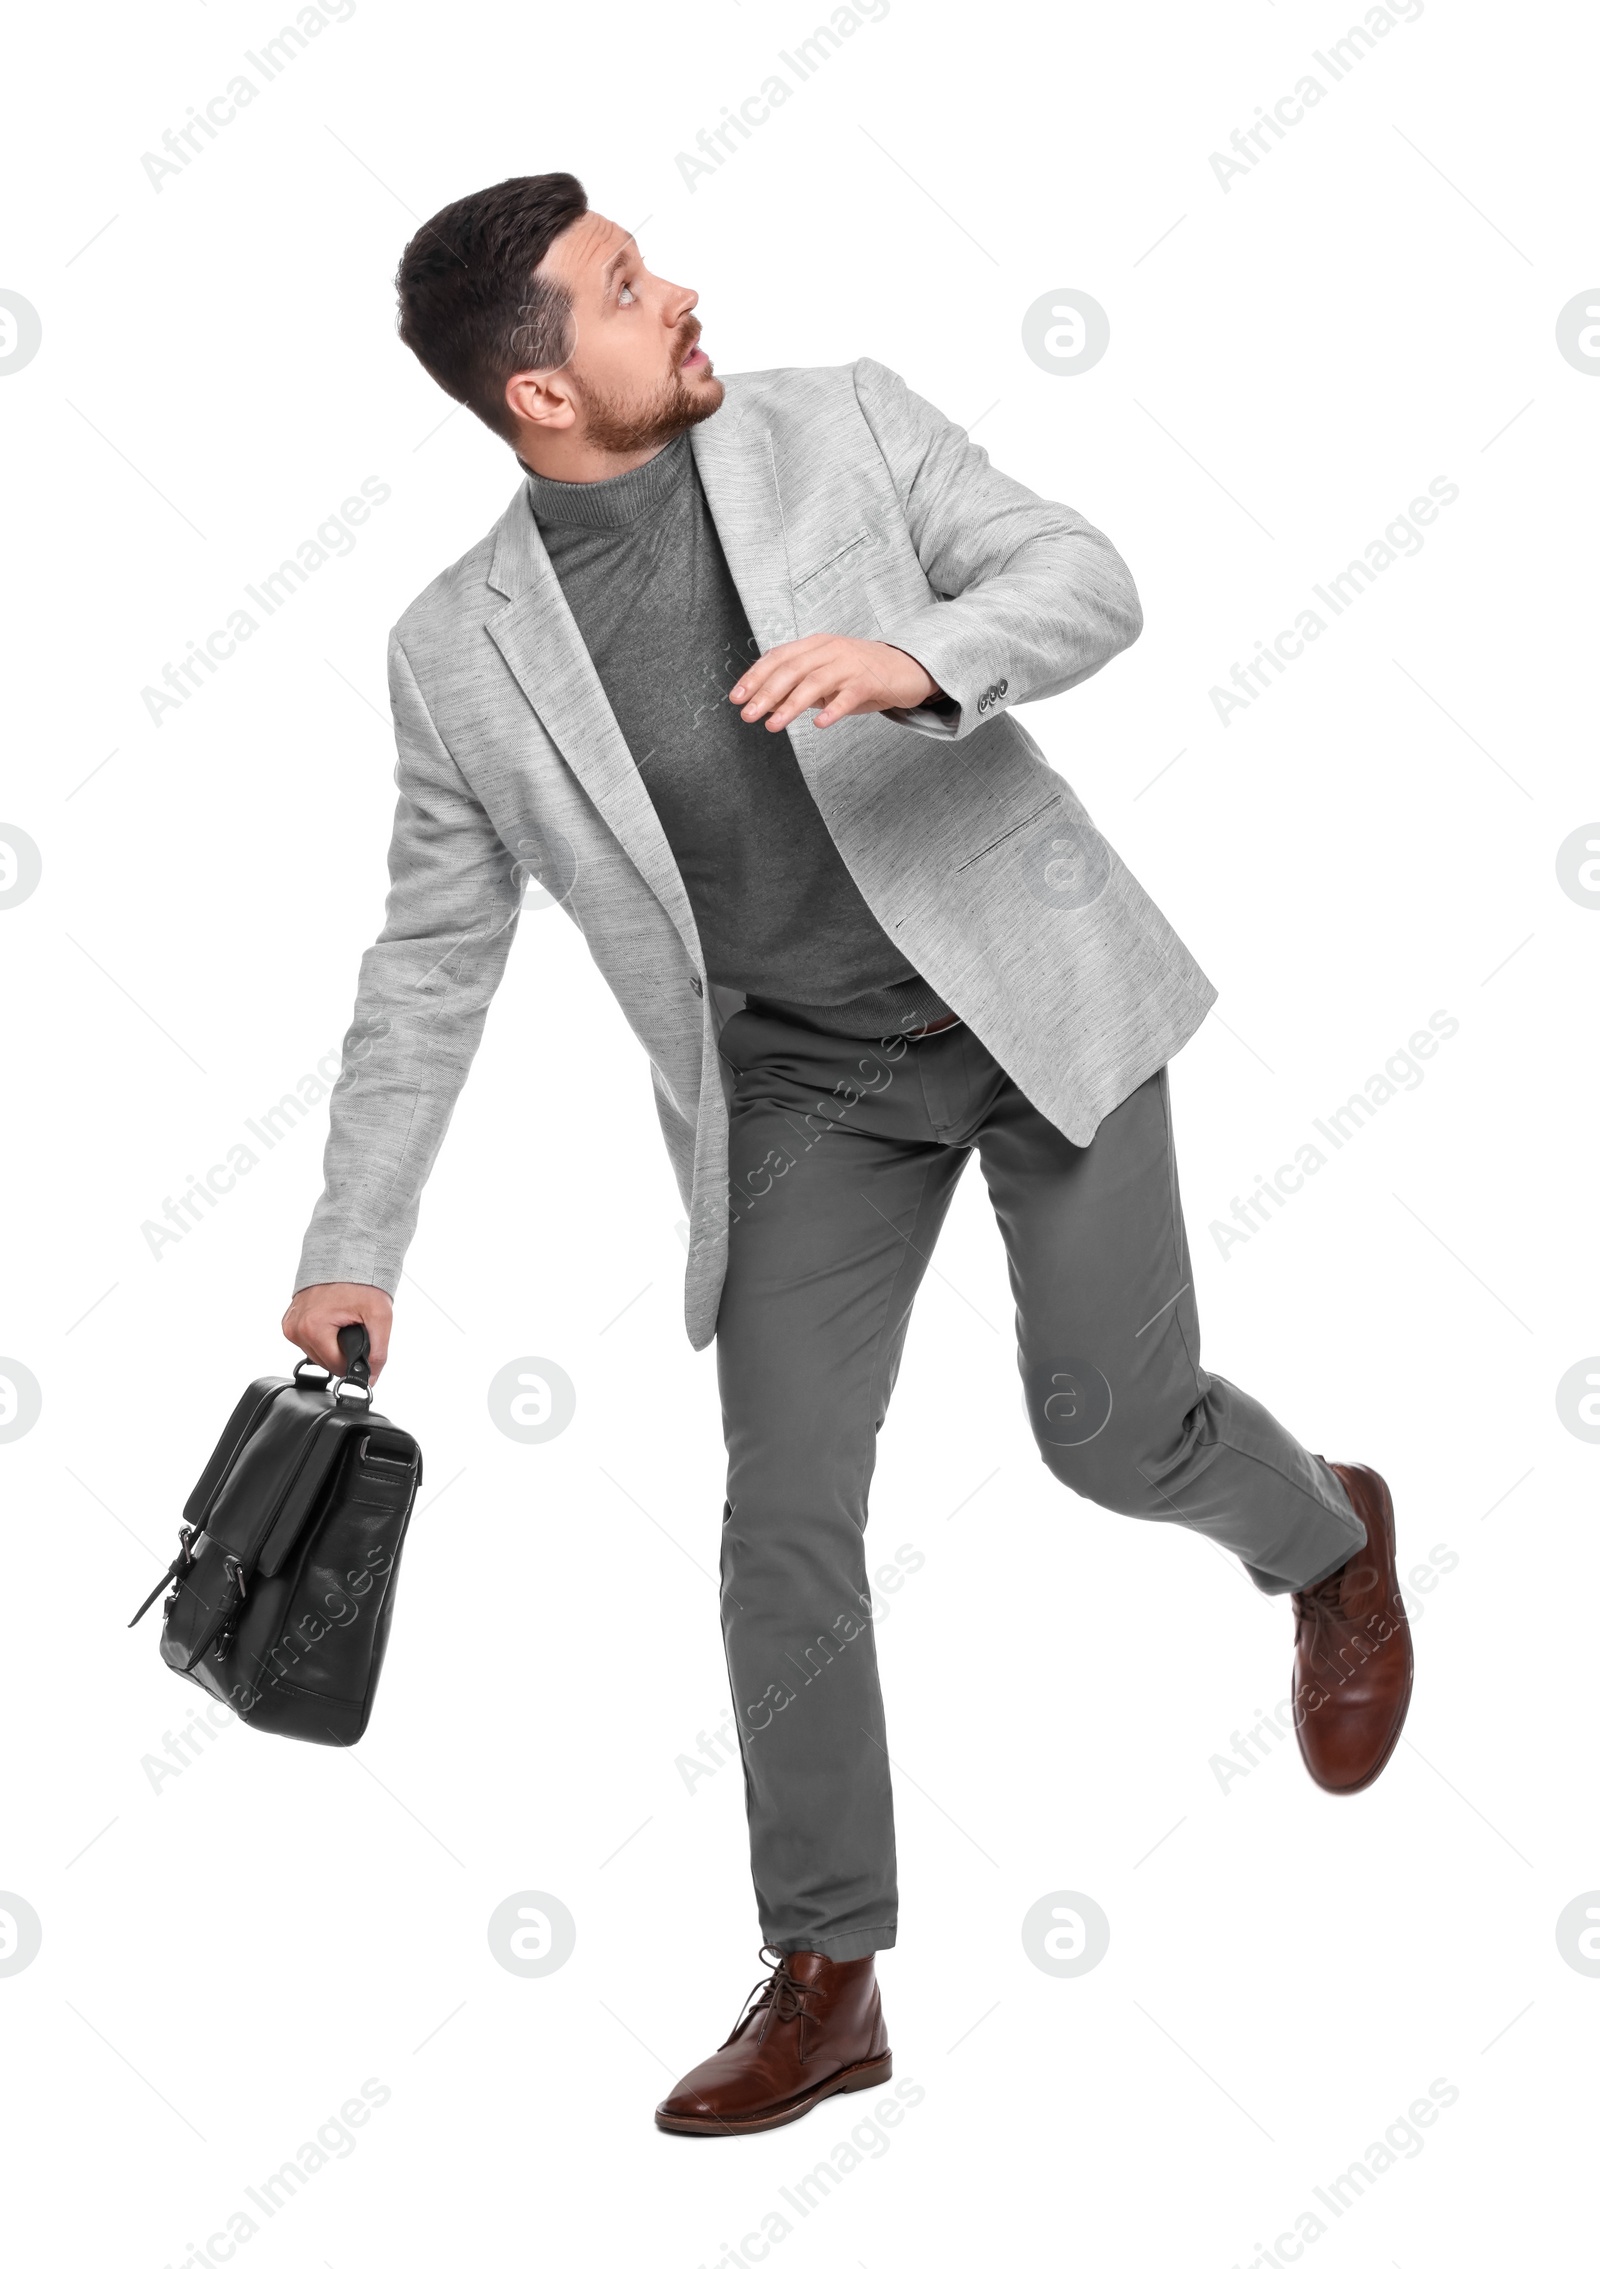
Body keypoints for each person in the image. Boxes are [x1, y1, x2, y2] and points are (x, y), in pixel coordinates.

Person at [283, 171, 1414, 2138]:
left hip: (1025, 999)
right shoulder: (451, 651)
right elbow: (426, 962)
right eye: (628, 292)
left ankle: (1326, 1534)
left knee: (1106, 1428)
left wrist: (921, 659)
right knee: (774, 1515)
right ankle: (826, 1969)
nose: (681, 293)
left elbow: (1084, 574)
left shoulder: (844, 422)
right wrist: (351, 1241)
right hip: (796, 1092)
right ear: (541, 394)